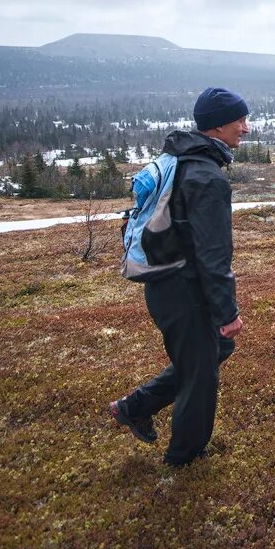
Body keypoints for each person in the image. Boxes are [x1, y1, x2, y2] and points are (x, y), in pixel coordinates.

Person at [110, 87, 249, 467]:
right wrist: (227, 312)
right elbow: (213, 255)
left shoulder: (178, 159)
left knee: (213, 352)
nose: (246, 128)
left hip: (166, 285)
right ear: (219, 126)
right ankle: (184, 459)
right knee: (200, 375)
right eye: (240, 120)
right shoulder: (206, 178)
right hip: (182, 288)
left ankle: (134, 407)